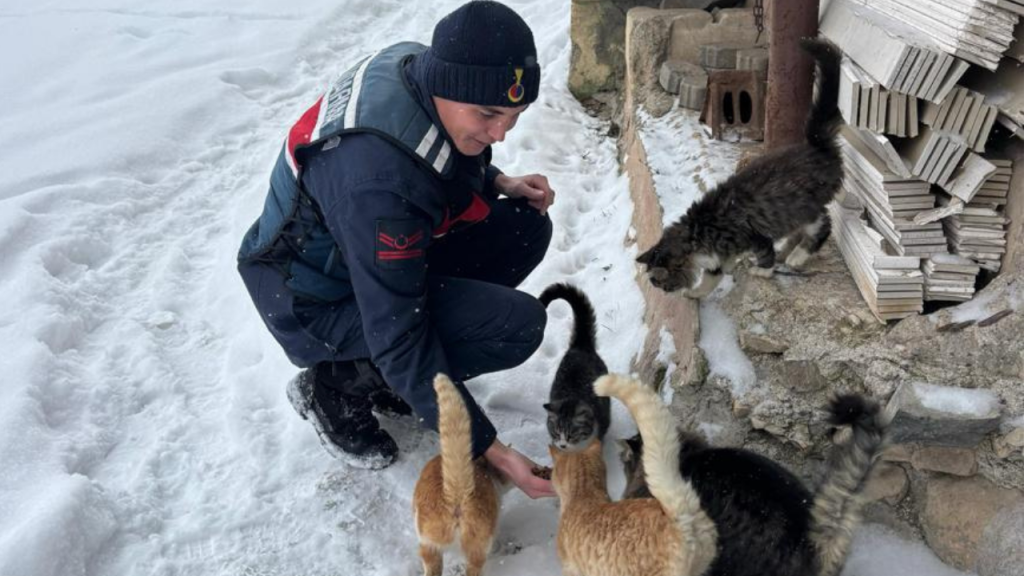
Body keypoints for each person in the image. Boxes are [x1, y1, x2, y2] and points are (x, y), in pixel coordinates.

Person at [237, 0, 555, 499]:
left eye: (514, 115)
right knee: (515, 328)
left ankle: (397, 378)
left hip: (357, 253)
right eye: (489, 114)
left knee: (524, 227)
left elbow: (439, 159)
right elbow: (399, 331)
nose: (500, 132)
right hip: (313, 300)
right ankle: (335, 388)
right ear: (447, 85)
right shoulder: (379, 186)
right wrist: (490, 450)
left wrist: (499, 180)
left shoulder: (418, 70)